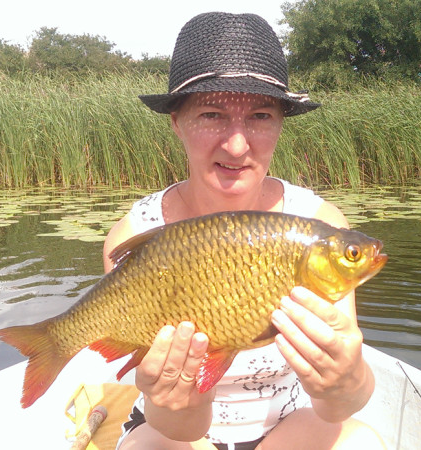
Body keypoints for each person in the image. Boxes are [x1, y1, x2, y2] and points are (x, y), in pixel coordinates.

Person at [103, 12, 384, 450]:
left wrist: (345, 380)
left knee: (360, 442)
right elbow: (178, 428)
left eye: (259, 115)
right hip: (174, 435)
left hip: (287, 428)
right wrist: (180, 402)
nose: (237, 144)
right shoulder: (136, 237)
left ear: (280, 124)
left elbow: (340, 409)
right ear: (176, 122)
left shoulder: (320, 230)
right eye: (212, 114)